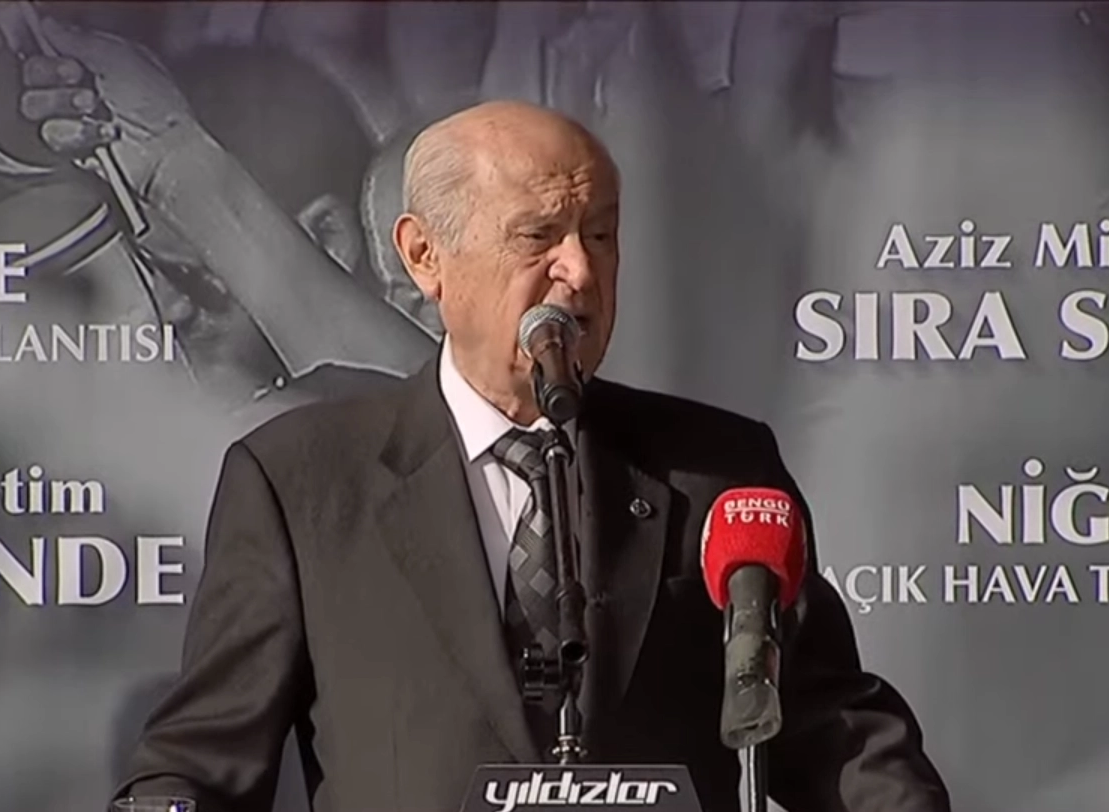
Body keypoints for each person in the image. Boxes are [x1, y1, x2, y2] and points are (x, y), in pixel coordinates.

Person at [113, 100, 951, 812]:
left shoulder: (717, 471)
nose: (579, 270)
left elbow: (838, 736)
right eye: (538, 235)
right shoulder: (303, 482)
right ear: (424, 256)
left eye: (601, 234)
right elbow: (201, 765)